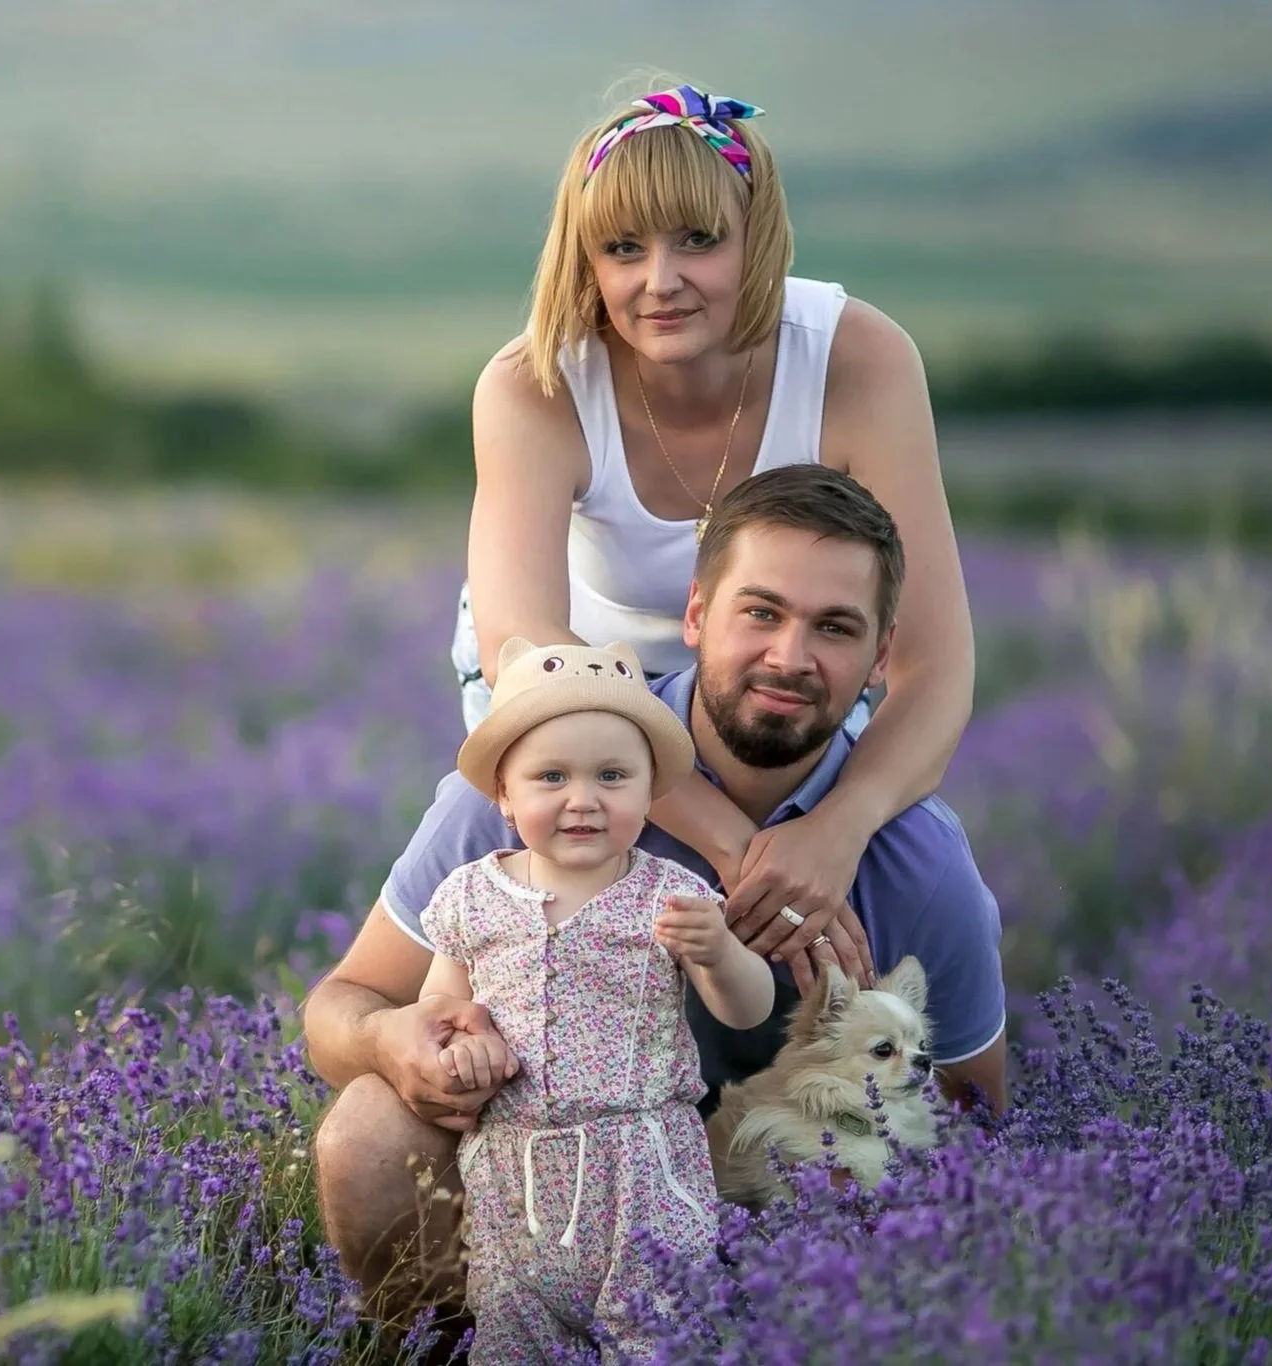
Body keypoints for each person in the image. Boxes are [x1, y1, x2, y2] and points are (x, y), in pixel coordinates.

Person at [305, 464, 1007, 1329]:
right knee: (369, 1133)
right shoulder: (548, 784)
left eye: (834, 627)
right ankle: (445, 1348)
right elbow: (339, 1008)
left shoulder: (916, 859)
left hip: (765, 1180)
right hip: (529, 1174)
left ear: (879, 658)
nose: (789, 657)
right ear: (695, 616)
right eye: (760, 612)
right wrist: (391, 1039)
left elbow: (974, 1118)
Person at [453, 81, 977, 987]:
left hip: (778, 680)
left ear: (757, 235)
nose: (660, 282)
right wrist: (740, 846)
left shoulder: (860, 358)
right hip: (578, 692)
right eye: (623, 249)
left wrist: (833, 831)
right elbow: (527, 656)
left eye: (698, 240)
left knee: (890, 882)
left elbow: (931, 664)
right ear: (586, 260)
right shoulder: (534, 383)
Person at [416, 635, 774, 1362]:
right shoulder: (470, 897)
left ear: (650, 793)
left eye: (613, 776)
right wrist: (463, 1043)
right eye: (551, 777)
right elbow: (441, 1012)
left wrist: (720, 952)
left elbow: (750, 1007)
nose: (583, 799)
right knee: (516, 1335)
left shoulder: (671, 897)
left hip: (643, 1165)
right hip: (513, 1174)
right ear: (504, 796)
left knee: (656, 1334)